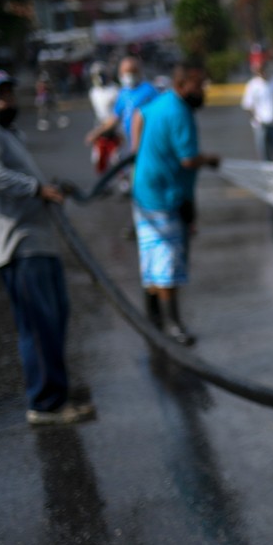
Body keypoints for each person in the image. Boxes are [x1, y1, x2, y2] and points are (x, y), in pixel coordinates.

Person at [0, 68, 96, 426]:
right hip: (16, 243)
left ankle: (58, 392)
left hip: (37, 241)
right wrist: (35, 189)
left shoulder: (10, 134)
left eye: (8, 92)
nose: (6, 100)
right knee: (38, 326)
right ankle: (45, 404)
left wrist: (44, 188)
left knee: (54, 321)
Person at [131, 60, 221, 346]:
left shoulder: (162, 101)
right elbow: (188, 159)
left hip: (145, 191)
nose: (203, 90)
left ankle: (153, 317)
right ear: (182, 86)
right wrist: (209, 159)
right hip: (164, 197)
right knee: (166, 260)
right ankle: (172, 325)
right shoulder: (180, 112)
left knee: (151, 257)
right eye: (199, 85)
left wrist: (137, 151)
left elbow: (137, 116)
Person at [84, 56, 158, 193]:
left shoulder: (149, 90)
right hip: (130, 144)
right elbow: (114, 118)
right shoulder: (123, 93)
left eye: (132, 71)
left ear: (139, 71)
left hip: (149, 143)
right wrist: (96, 133)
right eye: (125, 72)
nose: (128, 76)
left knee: (149, 182)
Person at [240, 54, 273, 162]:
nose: (261, 71)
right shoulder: (252, 85)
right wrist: (257, 118)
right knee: (264, 155)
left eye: (262, 67)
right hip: (261, 126)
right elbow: (248, 105)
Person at [87, 63, 121, 175]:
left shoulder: (115, 90)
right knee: (98, 158)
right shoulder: (93, 92)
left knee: (117, 159)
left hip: (114, 129)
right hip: (100, 127)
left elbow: (117, 115)